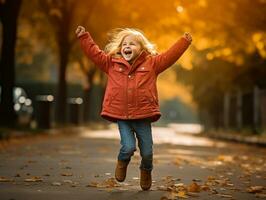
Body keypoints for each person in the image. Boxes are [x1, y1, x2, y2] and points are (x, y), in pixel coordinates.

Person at [76, 26, 192, 190]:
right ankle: (122, 161)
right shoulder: (111, 63)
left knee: (147, 153)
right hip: (122, 117)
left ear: (142, 48)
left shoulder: (152, 64)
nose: (127, 46)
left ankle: (146, 170)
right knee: (128, 146)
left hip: (143, 116)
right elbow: (94, 54)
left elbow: (169, 56)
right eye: (125, 44)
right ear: (120, 48)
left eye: (133, 44)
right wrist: (84, 37)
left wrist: (183, 42)